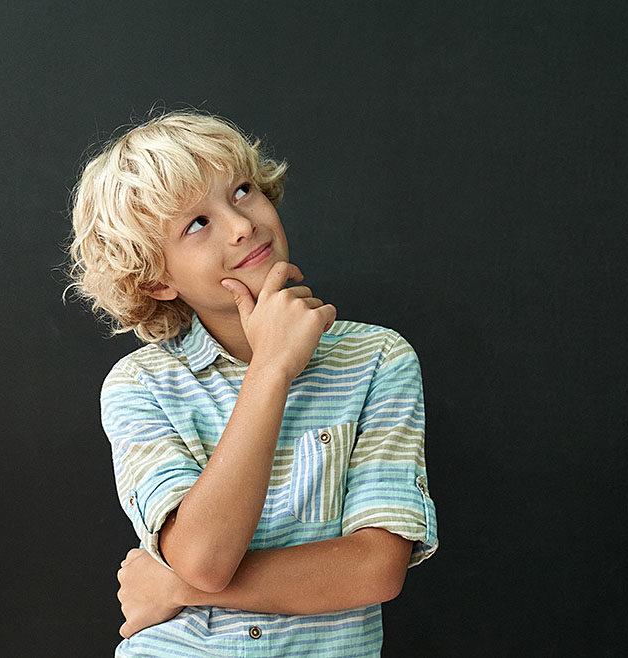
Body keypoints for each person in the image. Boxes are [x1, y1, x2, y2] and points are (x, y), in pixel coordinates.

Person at [66, 110, 438, 656]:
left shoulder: (378, 359)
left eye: (241, 190)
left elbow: (375, 571)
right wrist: (272, 368)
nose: (242, 224)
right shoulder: (139, 386)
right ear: (157, 279)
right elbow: (205, 559)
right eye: (197, 224)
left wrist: (175, 586)